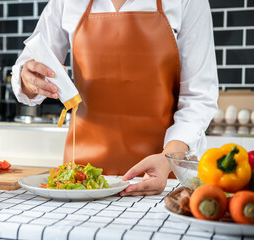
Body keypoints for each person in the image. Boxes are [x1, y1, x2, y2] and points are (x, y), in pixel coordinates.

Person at [11, 0, 218, 196]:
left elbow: (199, 96)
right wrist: (28, 78)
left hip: (166, 176)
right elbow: (29, 70)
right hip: (81, 181)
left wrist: (168, 158)